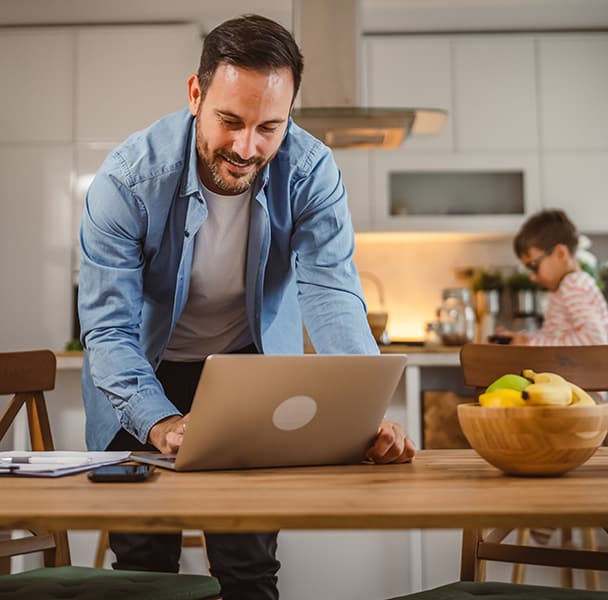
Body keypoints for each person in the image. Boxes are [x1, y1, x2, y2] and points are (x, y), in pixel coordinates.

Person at [78, 14, 415, 600]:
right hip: (143, 375)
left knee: (248, 567)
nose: (245, 147)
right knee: (143, 568)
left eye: (269, 128)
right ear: (195, 94)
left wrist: (364, 410)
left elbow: (331, 293)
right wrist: (158, 421)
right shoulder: (128, 180)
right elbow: (108, 330)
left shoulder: (310, 170)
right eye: (229, 122)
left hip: (246, 377)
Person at [503, 209, 608, 346]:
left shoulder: (572, 286)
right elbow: (556, 336)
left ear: (561, 254)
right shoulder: (569, 285)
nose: (532, 277)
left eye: (533, 266)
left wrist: (531, 344)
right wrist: (525, 338)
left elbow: (594, 340)